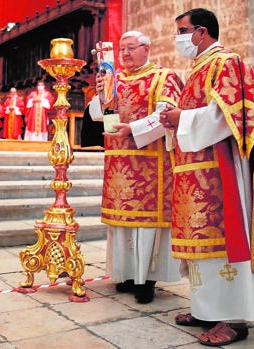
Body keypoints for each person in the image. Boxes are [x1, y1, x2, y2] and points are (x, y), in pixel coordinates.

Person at [159, 8, 254, 346]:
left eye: (182, 31)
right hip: (194, 172)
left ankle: (234, 318)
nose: (179, 38)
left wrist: (181, 116)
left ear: (201, 32)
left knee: (224, 243)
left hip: (219, 171)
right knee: (200, 248)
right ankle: (208, 309)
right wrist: (174, 118)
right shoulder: (198, 67)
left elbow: (235, 113)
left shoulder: (227, 62)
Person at [94, 31, 184, 304]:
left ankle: (148, 279)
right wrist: (101, 96)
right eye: (122, 50)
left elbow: (165, 116)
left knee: (147, 226)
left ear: (146, 49)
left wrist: (132, 129)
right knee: (122, 225)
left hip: (151, 164)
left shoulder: (164, 77)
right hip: (119, 162)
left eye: (131, 48)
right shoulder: (114, 79)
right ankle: (129, 274)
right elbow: (100, 116)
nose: (125, 54)